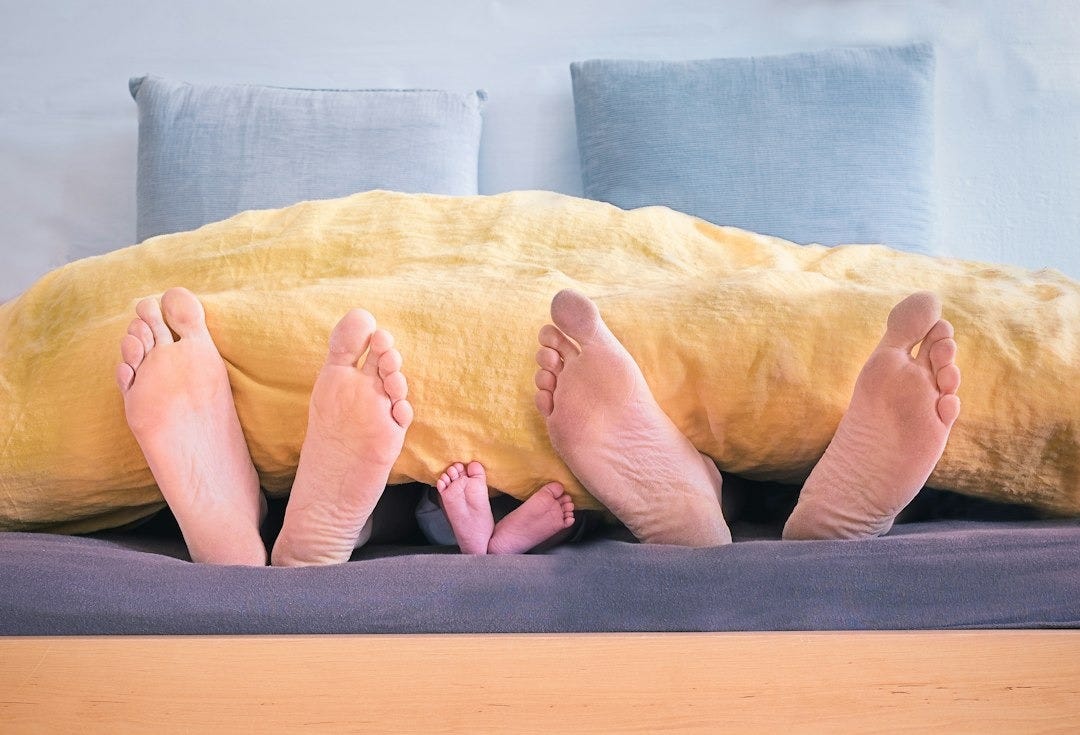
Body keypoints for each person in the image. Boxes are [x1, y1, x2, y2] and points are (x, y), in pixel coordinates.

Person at [532, 288, 961, 547]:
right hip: (818, 457)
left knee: (719, 488)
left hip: (710, 465)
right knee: (776, 485)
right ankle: (830, 508)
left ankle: (700, 489)